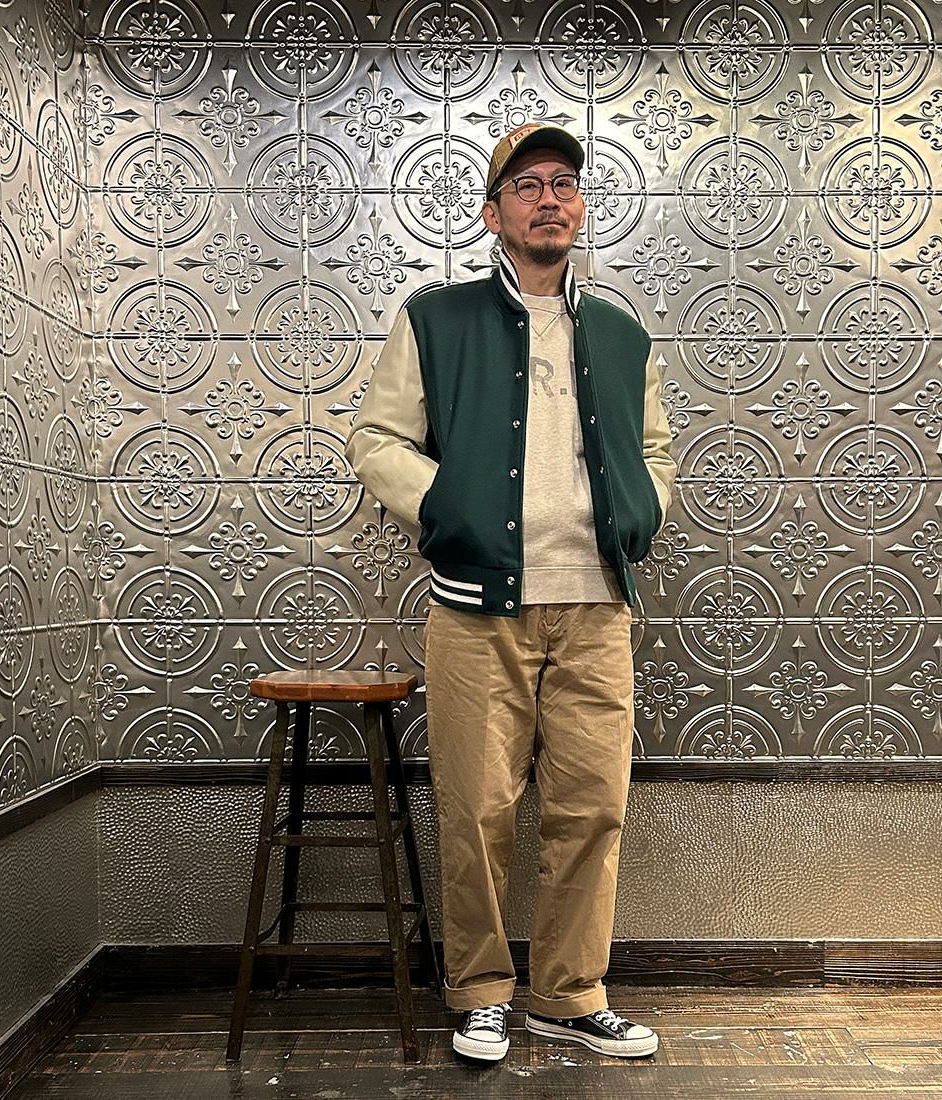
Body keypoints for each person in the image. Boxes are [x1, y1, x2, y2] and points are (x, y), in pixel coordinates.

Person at [345, 122, 676, 1063]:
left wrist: (643, 508)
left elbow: (654, 450)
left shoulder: (622, 333)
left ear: (582, 208)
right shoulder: (435, 320)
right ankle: (483, 992)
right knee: (478, 807)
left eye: (564, 183)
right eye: (526, 185)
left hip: (597, 606)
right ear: (494, 214)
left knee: (592, 808)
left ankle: (568, 995)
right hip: (473, 607)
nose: (549, 199)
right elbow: (376, 439)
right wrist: (447, 502)